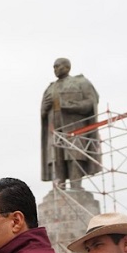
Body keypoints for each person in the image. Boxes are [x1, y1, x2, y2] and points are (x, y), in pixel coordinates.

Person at [41, 57, 101, 189]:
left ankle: (76, 188)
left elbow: (91, 103)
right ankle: (59, 189)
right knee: (56, 159)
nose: (55, 69)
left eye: (58, 66)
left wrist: (71, 106)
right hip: (54, 130)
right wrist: (44, 108)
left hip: (74, 127)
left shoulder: (80, 82)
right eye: (54, 67)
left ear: (67, 67)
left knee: (74, 157)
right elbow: (43, 113)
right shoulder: (50, 88)